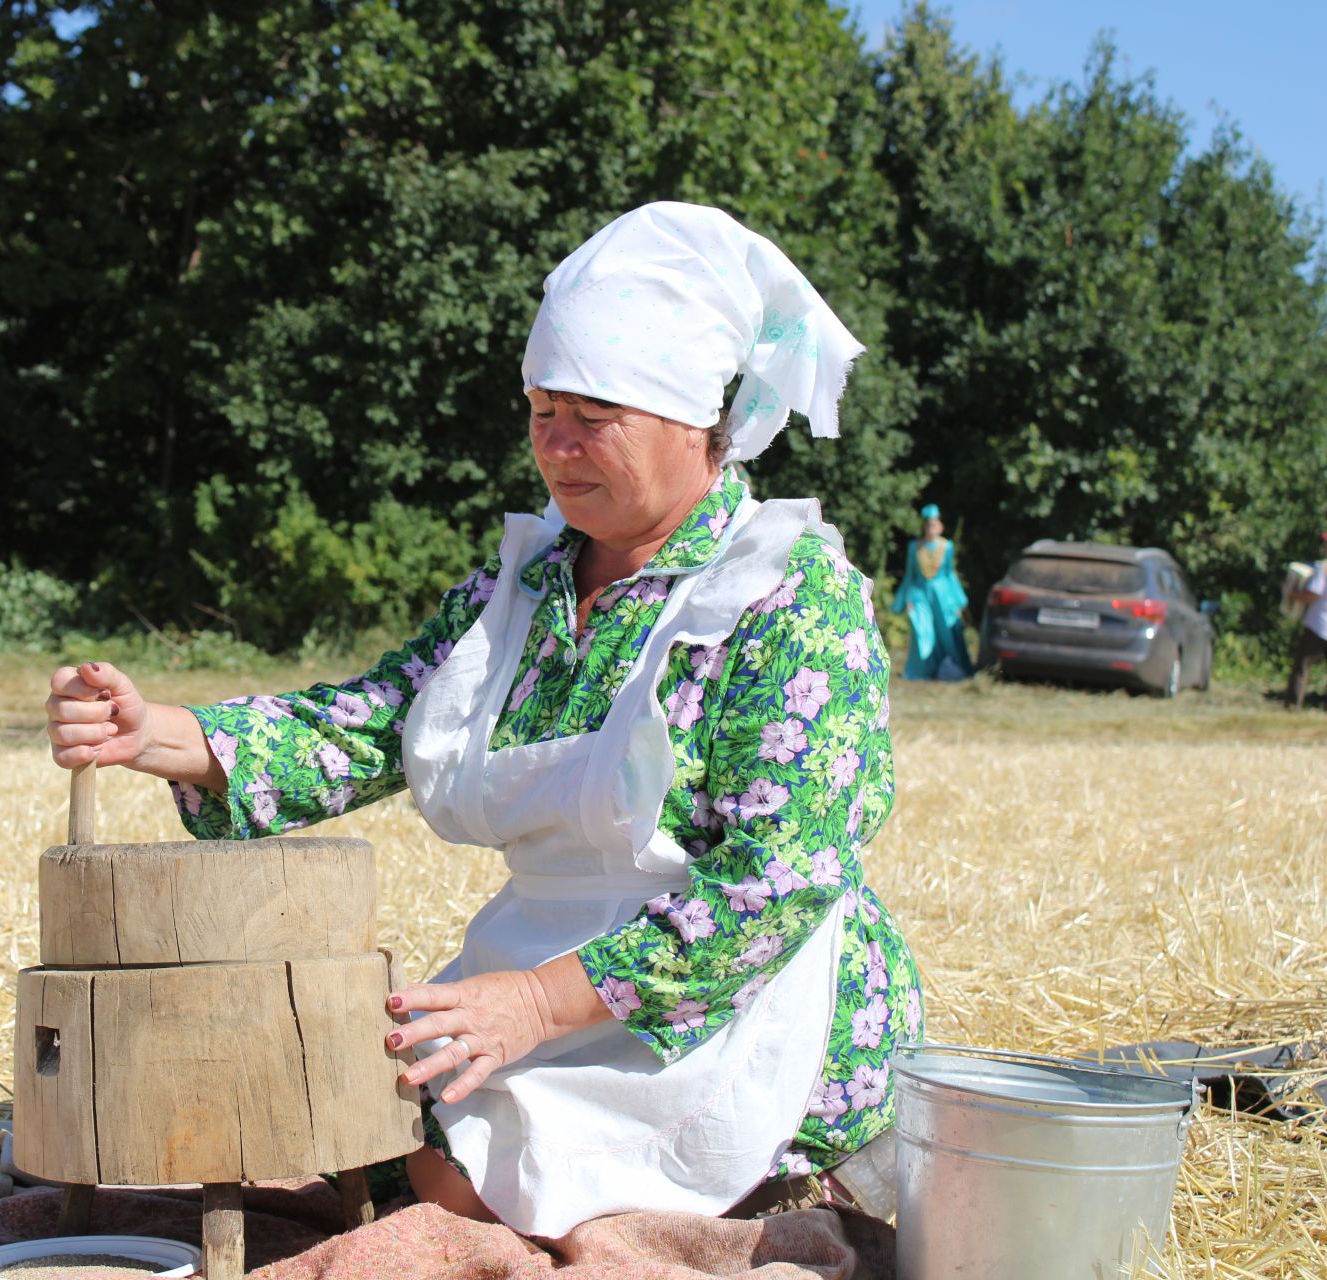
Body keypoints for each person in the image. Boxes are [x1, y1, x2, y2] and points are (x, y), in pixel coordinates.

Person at [47, 203, 921, 1237]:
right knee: (353, 1100)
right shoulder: (523, 584)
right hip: (538, 962)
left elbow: (782, 878)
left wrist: (536, 1007)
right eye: (541, 409)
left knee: (451, 1176)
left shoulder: (787, 592)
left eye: (594, 416)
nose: (556, 446)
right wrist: (161, 736)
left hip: (742, 1002)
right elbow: (371, 722)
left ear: (699, 420)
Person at [891, 504, 973, 681]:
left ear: (941, 527)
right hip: (920, 594)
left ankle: (951, 668)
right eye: (928, 525)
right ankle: (921, 671)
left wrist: (958, 602)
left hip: (943, 595)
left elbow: (950, 573)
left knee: (947, 631)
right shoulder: (914, 547)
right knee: (922, 629)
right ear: (924, 527)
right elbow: (910, 576)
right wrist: (907, 599)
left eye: (935, 525)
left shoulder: (947, 546)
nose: (931, 529)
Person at [1283, 532, 1327, 710]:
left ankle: (1293, 705)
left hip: (1318, 625)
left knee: (1302, 665)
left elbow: (1312, 595)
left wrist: (1290, 592)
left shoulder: (1322, 567)